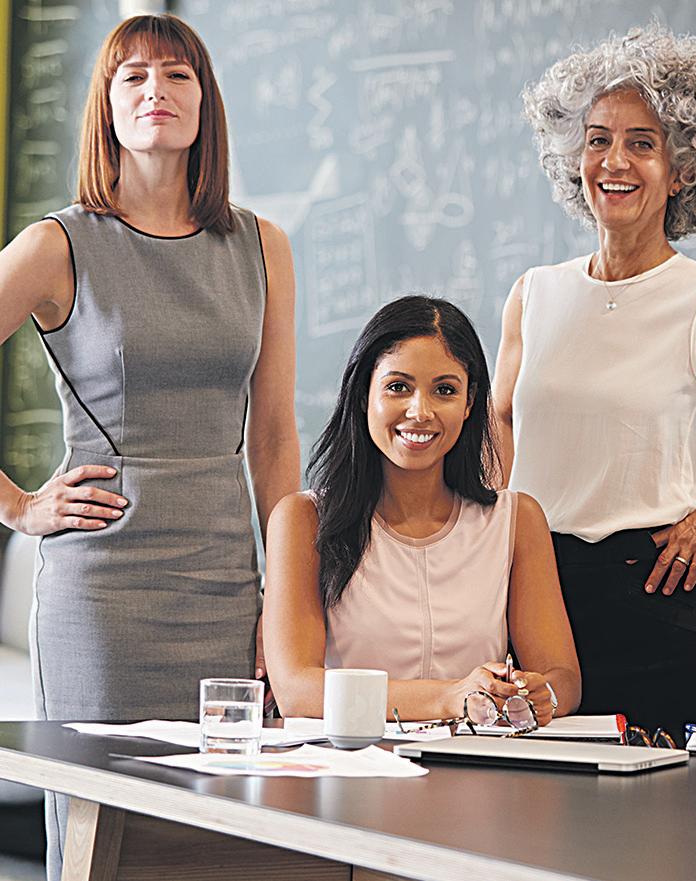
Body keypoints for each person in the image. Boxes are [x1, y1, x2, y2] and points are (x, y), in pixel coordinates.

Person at [0, 14, 299, 878]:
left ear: (205, 103)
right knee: (106, 842)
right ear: (105, 107)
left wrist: (283, 598)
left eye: (176, 75)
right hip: (101, 599)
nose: (154, 92)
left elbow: (275, 439)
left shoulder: (261, 246)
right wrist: (20, 506)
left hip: (224, 589)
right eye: (131, 77)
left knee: (219, 843)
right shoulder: (60, 243)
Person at [493, 25, 696, 740]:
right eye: (598, 139)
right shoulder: (533, 293)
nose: (615, 161)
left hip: (658, 602)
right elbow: (498, 434)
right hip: (534, 599)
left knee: (653, 845)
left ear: (685, 169)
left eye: (643, 142)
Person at [263, 296, 580, 727]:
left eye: (445, 390)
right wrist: (449, 698)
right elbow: (297, 690)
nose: (420, 411)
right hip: (352, 775)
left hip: (478, 773)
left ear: (470, 404)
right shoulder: (302, 519)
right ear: (363, 395)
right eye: (398, 387)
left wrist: (539, 695)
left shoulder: (516, 519)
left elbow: (562, 679)